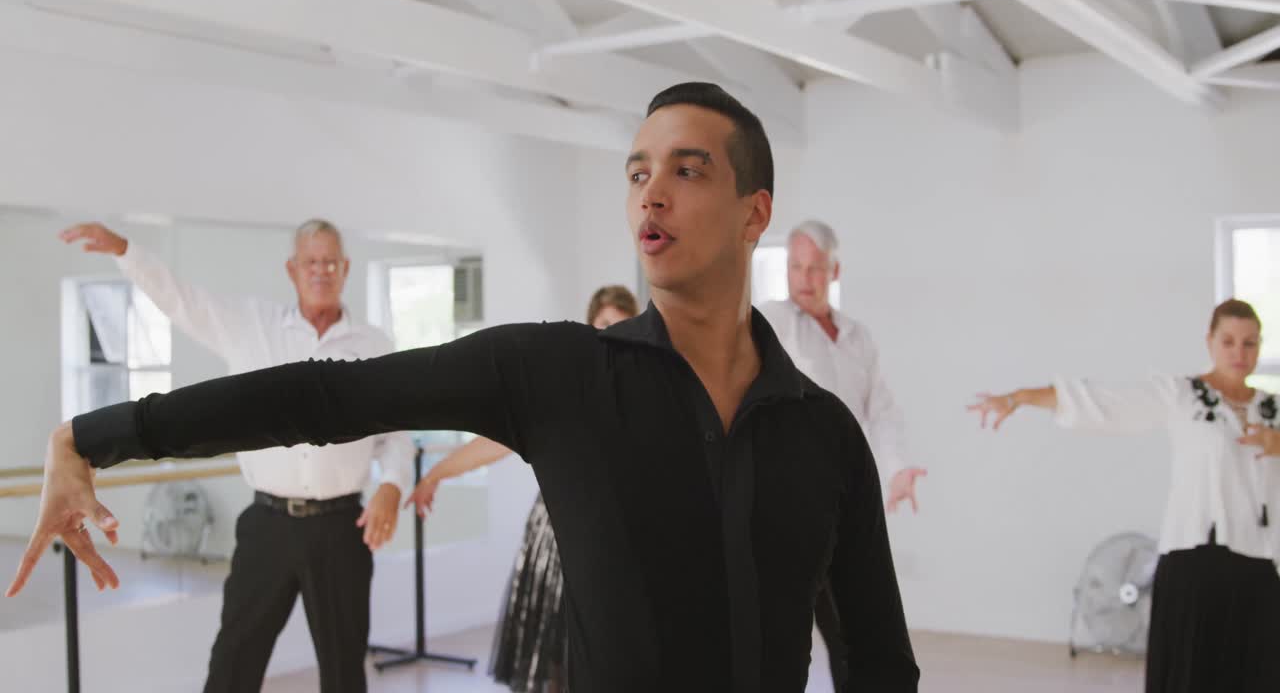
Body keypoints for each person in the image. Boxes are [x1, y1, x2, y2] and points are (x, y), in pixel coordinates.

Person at [11, 82, 919, 693]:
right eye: (639, 172)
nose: (651, 196)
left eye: (688, 171)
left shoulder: (824, 434)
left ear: (756, 209)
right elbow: (326, 398)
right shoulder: (561, 372)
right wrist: (96, 436)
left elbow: (880, 664)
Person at [56, 219, 414, 693]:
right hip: (267, 526)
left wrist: (392, 485)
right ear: (292, 269)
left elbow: (396, 436)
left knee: (345, 670)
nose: (321, 271)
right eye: (311, 261)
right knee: (233, 662)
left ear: (345, 268)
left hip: (340, 529)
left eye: (331, 262)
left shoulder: (373, 345)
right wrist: (127, 251)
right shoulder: (252, 325)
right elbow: (181, 300)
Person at [967, 298, 1280, 693]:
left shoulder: (1272, 408)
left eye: (1249, 343)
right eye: (1229, 341)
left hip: (1259, 565)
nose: (1239, 352)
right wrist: (1019, 398)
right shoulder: (1182, 395)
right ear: (1210, 341)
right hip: (1195, 562)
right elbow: (1105, 402)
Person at [408, 285, 639, 693]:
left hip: (614, 544)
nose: (613, 335)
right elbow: (494, 443)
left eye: (623, 326)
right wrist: (434, 474)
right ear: (590, 328)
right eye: (605, 325)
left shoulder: (645, 393)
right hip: (555, 543)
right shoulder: (562, 389)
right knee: (555, 658)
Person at [758, 219, 925, 689]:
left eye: (815, 268)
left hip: (842, 510)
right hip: (783, 509)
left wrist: (897, 470)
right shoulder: (769, 322)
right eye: (795, 267)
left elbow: (882, 412)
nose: (804, 279)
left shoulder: (857, 337)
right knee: (776, 644)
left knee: (856, 638)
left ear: (835, 271)